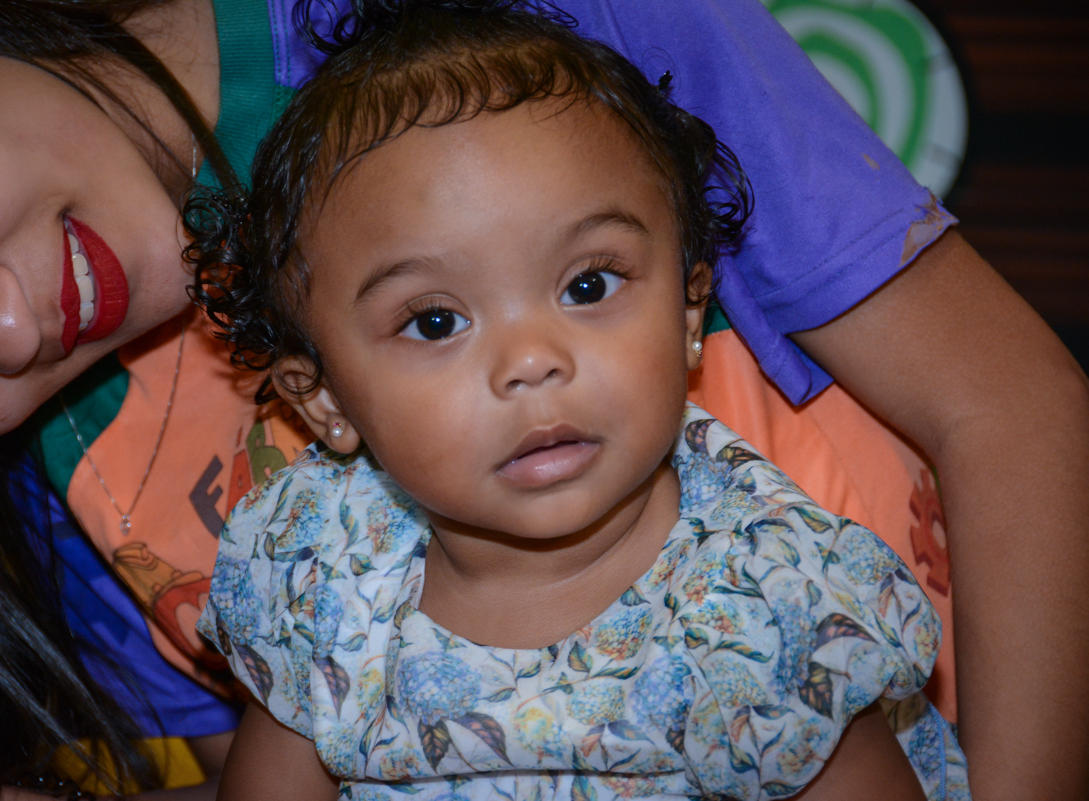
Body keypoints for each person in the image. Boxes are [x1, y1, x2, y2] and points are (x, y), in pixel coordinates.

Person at [0, 0, 1084, 798]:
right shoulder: (87, 491)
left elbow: (1012, 407)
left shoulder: (545, 42)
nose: (0, 332)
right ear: (319, 396)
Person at [191, 5, 968, 797]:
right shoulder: (321, 571)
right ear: (324, 399)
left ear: (689, 312)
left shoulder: (759, 611)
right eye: (435, 321)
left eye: (587, 285)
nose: (532, 361)